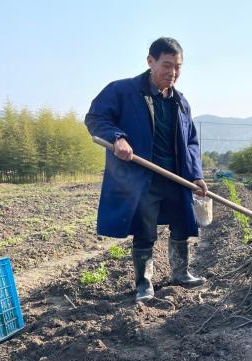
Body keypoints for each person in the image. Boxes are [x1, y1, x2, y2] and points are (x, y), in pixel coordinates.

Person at [85, 37, 208, 302]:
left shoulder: (180, 102)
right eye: (166, 65)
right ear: (150, 61)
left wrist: (195, 174)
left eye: (177, 67)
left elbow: (191, 142)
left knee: (182, 226)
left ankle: (181, 274)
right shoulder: (123, 91)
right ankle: (144, 283)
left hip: (176, 177)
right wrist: (117, 137)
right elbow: (95, 117)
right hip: (143, 177)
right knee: (144, 231)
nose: (172, 73)